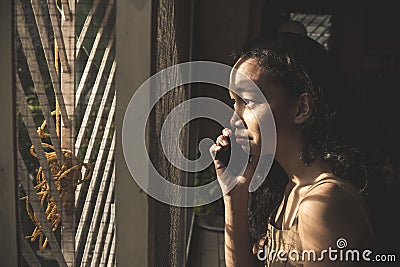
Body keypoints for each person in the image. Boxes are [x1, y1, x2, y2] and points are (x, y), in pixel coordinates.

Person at [209, 32, 374, 266]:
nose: (235, 118)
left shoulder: (321, 205)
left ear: (302, 108)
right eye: (234, 101)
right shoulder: (290, 191)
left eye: (249, 101)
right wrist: (235, 195)